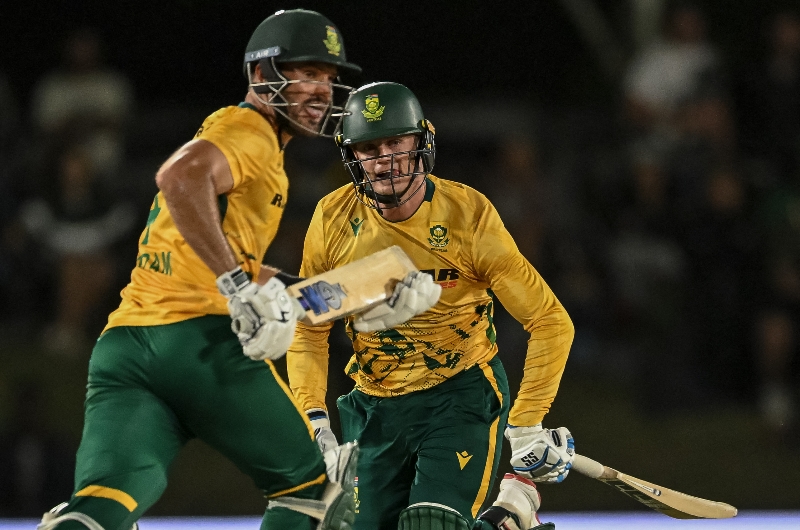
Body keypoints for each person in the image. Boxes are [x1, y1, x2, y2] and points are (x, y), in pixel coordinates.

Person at [37, 11, 436, 530]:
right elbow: (179, 177)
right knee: (316, 497)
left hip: (125, 347)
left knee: (103, 506)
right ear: (262, 74)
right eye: (307, 73)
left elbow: (247, 273)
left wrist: (359, 294)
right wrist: (236, 285)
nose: (322, 90)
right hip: (198, 343)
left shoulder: (242, 140)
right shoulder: (251, 132)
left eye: (328, 77)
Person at [287, 82, 575, 530]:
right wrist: (315, 419)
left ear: (422, 143)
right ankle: (512, 513)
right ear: (352, 155)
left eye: (396, 143)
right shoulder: (331, 219)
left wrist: (526, 424)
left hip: (459, 397)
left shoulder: (468, 216)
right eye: (370, 148)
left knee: (430, 525)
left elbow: (549, 321)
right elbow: (309, 326)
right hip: (373, 407)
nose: (385, 159)